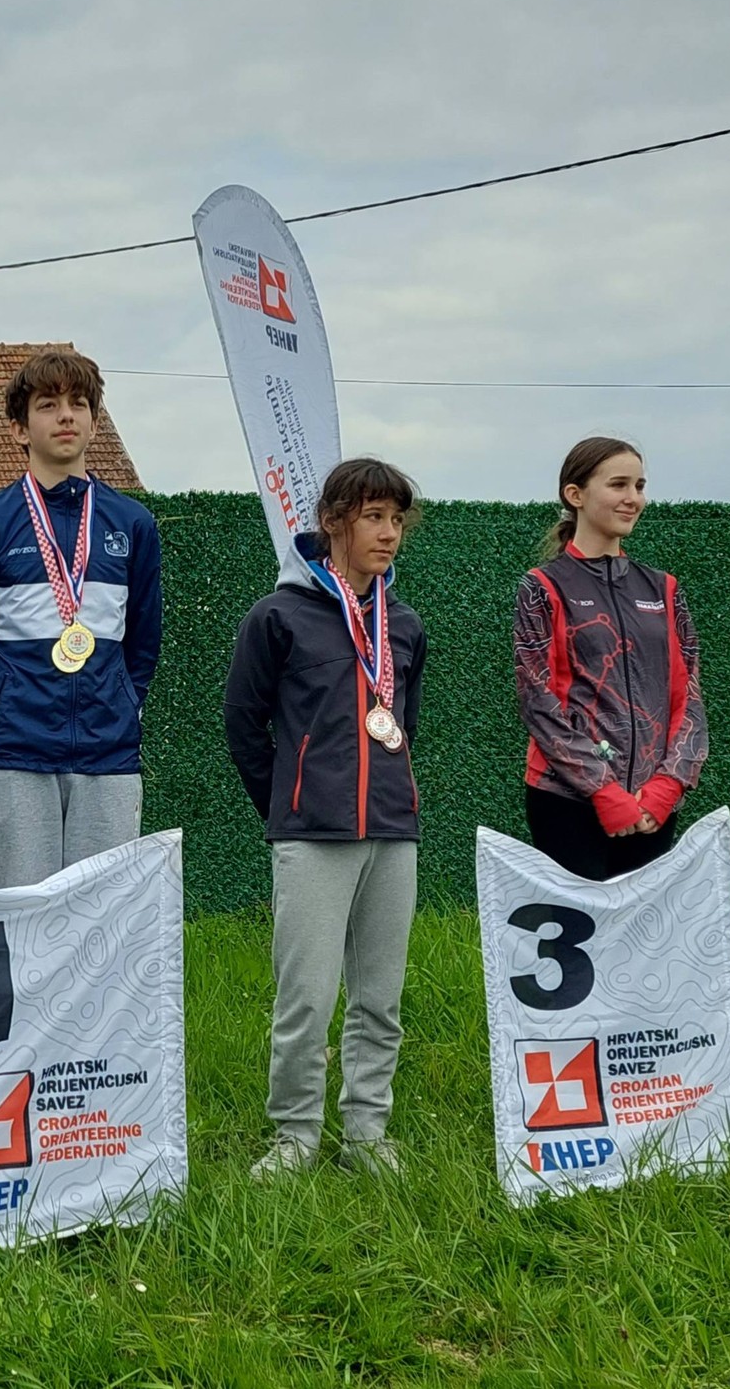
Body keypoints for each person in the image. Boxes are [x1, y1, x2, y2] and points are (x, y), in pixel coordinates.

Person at [224, 458, 428, 1180]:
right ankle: (295, 1136)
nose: (389, 533)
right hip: (311, 833)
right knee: (306, 1000)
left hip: (393, 832)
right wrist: (290, 801)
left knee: (380, 1000)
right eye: (374, 517)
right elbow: (244, 724)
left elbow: (402, 726)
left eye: (397, 520)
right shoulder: (278, 617)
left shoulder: (405, 626)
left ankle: (368, 1134)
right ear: (334, 521)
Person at [0, 348, 162, 888]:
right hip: (13, 757)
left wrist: (118, 708)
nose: (66, 416)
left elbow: (143, 645)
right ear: (19, 428)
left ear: (95, 423)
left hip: (108, 758)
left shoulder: (133, 524)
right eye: (48, 405)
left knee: (101, 921)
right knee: (17, 921)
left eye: (79, 404)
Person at [515, 436, 708, 880]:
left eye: (639, 486)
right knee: (580, 926)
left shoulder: (663, 588)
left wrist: (668, 785)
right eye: (618, 484)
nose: (633, 498)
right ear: (575, 495)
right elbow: (538, 701)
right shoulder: (542, 586)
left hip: (652, 804)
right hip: (566, 801)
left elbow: (690, 698)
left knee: (646, 925)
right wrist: (603, 792)